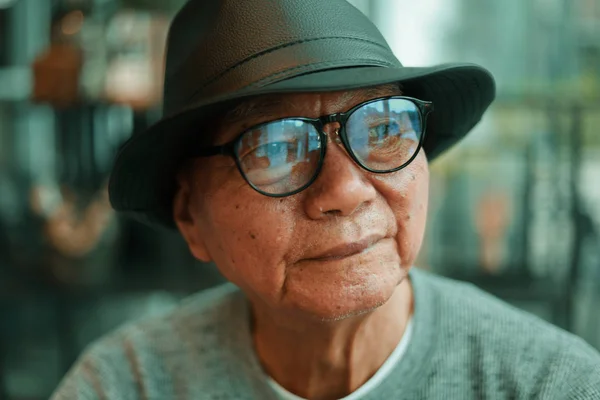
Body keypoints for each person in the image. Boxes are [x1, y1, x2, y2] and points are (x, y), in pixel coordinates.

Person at [51, 0, 600, 399]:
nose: (346, 190)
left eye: (383, 129)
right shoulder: (126, 385)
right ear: (191, 215)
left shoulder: (549, 384)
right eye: (274, 146)